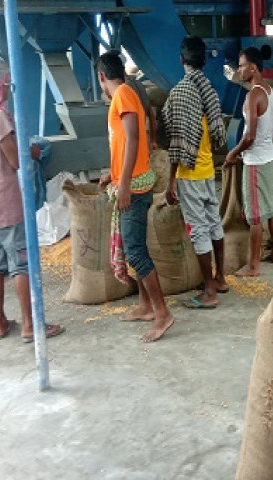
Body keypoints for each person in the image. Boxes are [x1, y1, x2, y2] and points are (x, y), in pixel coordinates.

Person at [0, 61, 64, 342]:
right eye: (5, 85)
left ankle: (0, 323)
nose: (7, 91)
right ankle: (30, 326)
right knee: (20, 263)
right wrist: (31, 150)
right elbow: (14, 159)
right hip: (4, 198)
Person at [95, 53, 174, 341]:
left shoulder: (123, 95)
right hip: (130, 180)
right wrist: (113, 175)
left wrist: (125, 183)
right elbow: (123, 144)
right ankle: (145, 306)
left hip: (136, 185)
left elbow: (134, 139)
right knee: (134, 248)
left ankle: (162, 313)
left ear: (102, 76)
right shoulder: (124, 96)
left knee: (136, 252)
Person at [163, 36, 229, 309]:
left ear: (182, 60)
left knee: (199, 230)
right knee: (214, 223)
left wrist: (170, 182)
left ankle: (209, 293)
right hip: (207, 170)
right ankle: (221, 278)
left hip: (189, 175)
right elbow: (217, 136)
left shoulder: (179, 93)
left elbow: (176, 139)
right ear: (203, 60)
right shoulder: (210, 92)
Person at [225, 47, 273, 277]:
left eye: (241, 65)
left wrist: (234, 153)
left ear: (253, 67)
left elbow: (249, 136)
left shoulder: (252, 96)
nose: (239, 70)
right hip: (269, 157)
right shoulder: (270, 91)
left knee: (256, 214)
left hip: (255, 162)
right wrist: (267, 143)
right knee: (271, 207)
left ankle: (253, 266)